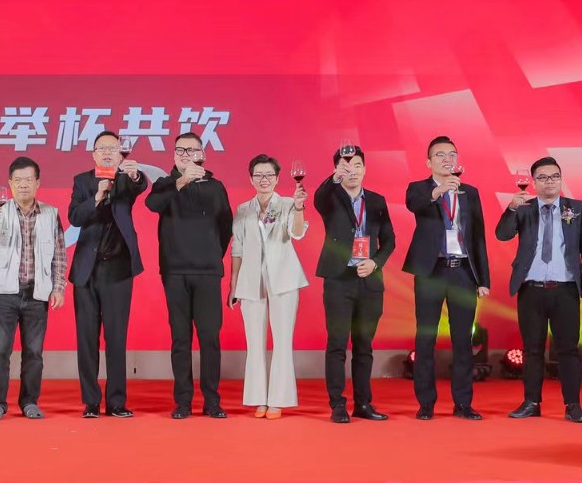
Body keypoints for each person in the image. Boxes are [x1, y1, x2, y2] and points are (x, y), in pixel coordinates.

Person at [496, 157, 582, 424]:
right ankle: (531, 402)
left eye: (554, 176)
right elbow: (502, 234)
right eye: (542, 177)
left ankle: (573, 405)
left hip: (565, 290)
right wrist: (511, 208)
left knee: (568, 350)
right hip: (531, 289)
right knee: (532, 350)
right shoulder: (524, 208)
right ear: (533, 182)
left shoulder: (576, 208)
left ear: (561, 180)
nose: (549, 181)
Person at [146, 132, 234, 419]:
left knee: (210, 338)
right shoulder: (165, 183)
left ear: (202, 154)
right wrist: (181, 181)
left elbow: (226, 226)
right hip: (175, 271)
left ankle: (212, 401)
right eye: (181, 150)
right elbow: (153, 205)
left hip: (207, 271)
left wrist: (213, 254)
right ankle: (183, 401)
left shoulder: (215, 186)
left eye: (192, 150)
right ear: (174, 155)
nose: (186, 155)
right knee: (180, 339)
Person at [402, 136, 490, 420]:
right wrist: (439, 190)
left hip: (463, 271)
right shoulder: (419, 189)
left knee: (463, 340)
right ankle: (426, 403)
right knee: (425, 337)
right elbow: (415, 205)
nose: (447, 159)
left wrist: (483, 279)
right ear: (429, 162)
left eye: (452, 154)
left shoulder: (470, 193)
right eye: (440, 155)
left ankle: (463, 403)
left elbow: (478, 237)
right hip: (431, 271)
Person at [0, 157, 66, 420]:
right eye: (18, 181)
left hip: (38, 293)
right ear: (10, 184)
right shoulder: (0, 210)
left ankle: (29, 401)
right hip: (5, 292)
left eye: (28, 180)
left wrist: (58, 287)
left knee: (34, 353)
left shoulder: (50, 213)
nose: (23, 185)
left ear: (37, 183)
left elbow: (59, 253)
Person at [313, 147, 397, 423]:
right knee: (337, 344)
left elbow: (390, 240)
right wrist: (333, 178)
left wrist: (375, 262)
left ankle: (363, 403)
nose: (353, 170)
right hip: (339, 280)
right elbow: (318, 196)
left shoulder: (376, 201)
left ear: (365, 169)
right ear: (338, 170)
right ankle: (337, 405)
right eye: (346, 166)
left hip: (369, 280)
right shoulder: (330, 198)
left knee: (364, 346)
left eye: (357, 165)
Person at [68, 131, 147, 419]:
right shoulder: (83, 181)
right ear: (93, 154)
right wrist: (98, 196)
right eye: (101, 148)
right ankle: (91, 402)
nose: (107, 153)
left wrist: (134, 175)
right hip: (87, 270)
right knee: (86, 338)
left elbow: (141, 185)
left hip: (118, 269)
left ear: (120, 153)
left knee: (116, 337)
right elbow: (75, 216)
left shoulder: (126, 179)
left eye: (112, 148)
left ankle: (116, 402)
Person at [228, 154, 308, 419]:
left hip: (284, 279)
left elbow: (297, 233)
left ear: (277, 178)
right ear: (251, 178)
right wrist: (233, 285)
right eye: (259, 175)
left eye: (269, 175)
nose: (264, 179)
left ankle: (278, 399)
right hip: (251, 280)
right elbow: (237, 248)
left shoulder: (287, 204)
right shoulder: (243, 209)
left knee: (282, 340)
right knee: (254, 342)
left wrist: (299, 208)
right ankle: (258, 398)